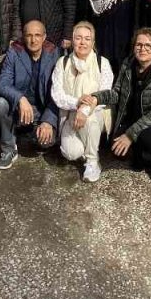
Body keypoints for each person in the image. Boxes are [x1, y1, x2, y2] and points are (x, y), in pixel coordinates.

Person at [79, 27, 151, 183]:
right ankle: (142, 152)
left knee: (144, 136)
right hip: (133, 119)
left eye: (148, 45)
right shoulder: (128, 64)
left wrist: (129, 135)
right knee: (119, 152)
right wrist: (96, 98)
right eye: (138, 45)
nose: (142, 49)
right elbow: (116, 93)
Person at [50, 22, 114, 182]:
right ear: (72, 41)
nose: (83, 42)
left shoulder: (102, 63)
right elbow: (57, 94)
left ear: (93, 42)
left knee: (89, 119)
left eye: (87, 39)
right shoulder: (63, 62)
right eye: (78, 38)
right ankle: (86, 146)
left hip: (95, 114)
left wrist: (84, 109)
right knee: (71, 153)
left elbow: (104, 94)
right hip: (70, 114)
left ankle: (93, 161)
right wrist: (78, 102)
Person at [0, 20, 60, 169]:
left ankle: (31, 131)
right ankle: (9, 149)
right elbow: (2, 83)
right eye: (29, 35)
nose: (33, 39)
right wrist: (20, 99)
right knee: (1, 103)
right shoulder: (14, 51)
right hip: (20, 107)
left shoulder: (53, 52)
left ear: (44, 37)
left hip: (42, 109)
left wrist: (48, 121)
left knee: (45, 144)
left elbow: (58, 91)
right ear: (23, 37)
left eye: (37, 35)